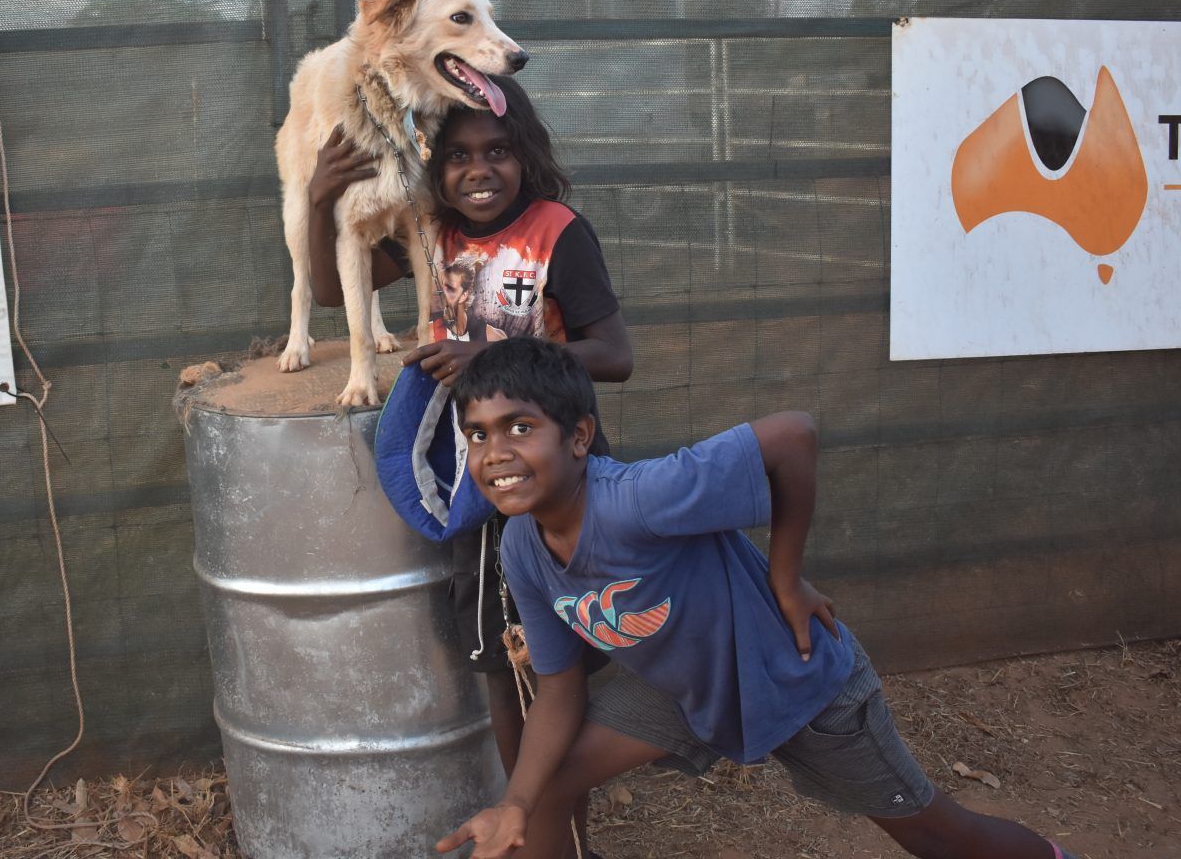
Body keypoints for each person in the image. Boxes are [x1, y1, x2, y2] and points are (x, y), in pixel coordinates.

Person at [435, 337, 1083, 859]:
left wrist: (785, 578)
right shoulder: (521, 544)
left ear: (579, 437)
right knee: (545, 784)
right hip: (683, 687)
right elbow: (558, 688)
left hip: (793, 676)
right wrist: (514, 803)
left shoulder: (640, 499)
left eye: (520, 427)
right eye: (480, 434)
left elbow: (792, 436)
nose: (497, 453)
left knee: (942, 839)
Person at [306, 76, 633, 798]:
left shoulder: (555, 230)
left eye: (498, 150)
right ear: (431, 163)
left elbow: (614, 355)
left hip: (555, 482)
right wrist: (320, 197)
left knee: (561, 663)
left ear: (527, 155)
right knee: (501, 659)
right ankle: (534, 819)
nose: (478, 170)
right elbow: (332, 292)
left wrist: (486, 356)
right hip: (476, 481)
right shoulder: (428, 232)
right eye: (456, 156)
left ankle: (555, 827)